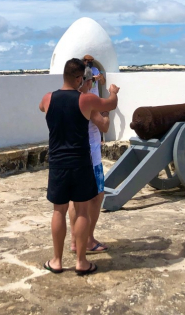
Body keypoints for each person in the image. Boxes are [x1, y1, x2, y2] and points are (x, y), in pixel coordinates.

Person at [39, 58, 120, 276]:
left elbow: (41, 108)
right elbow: (110, 104)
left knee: (59, 211)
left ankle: (56, 260)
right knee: (82, 210)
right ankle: (81, 261)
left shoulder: (48, 98)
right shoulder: (85, 100)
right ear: (79, 78)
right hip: (80, 162)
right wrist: (113, 91)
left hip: (57, 163)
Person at [69, 67, 110, 254]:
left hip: (72, 157)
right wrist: (107, 112)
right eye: (91, 81)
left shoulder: (66, 101)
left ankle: (74, 240)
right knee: (96, 197)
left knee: (74, 200)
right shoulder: (88, 103)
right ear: (85, 82)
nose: (92, 84)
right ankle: (88, 239)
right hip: (91, 157)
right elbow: (104, 126)